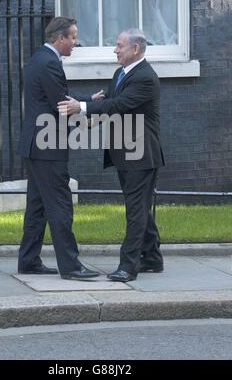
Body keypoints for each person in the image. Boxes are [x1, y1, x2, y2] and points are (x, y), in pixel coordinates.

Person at [58, 29, 165, 282]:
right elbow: (111, 106)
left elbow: (118, 104)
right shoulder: (121, 74)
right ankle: (152, 259)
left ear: (136, 49)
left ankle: (128, 267)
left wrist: (81, 106)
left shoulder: (145, 78)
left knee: (136, 211)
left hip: (141, 156)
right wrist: (87, 121)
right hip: (125, 154)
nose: (115, 50)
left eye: (119, 45)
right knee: (139, 208)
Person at [18, 17, 104, 279]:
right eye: (73, 37)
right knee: (60, 206)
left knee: (37, 206)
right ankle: (71, 266)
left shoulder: (38, 59)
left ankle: (29, 260)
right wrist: (86, 121)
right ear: (59, 38)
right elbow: (60, 104)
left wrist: (88, 99)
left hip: (34, 146)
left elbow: (51, 97)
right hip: (48, 148)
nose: (75, 42)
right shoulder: (51, 63)